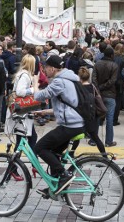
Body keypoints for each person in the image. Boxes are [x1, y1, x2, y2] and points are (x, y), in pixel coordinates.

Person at [33, 55, 85, 195]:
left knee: (39, 147)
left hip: (70, 126)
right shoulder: (70, 78)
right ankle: (56, 186)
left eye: (45, 68)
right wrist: (46, 112)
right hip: (77, 123)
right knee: (54, 153)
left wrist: (34, 84)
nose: (44, 70)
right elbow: (67, 105)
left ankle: (64, 175)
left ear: (52, 68)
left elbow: (40, 96)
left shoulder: (59, 82)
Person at [5, 54, 39, 149]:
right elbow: (20, 92)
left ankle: (21, 161)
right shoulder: (25, 76)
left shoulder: (22, 74)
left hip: (21, 111)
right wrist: (32, 90)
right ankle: (17, 162)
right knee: (24, 138)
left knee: (27, 138)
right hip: (22, 111)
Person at [92, 46, 118, 147]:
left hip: (98, 95)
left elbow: (93, 79)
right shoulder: (114, 65)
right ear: (112, 55)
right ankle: (109, 141)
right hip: (110, 94)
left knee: (97, 117)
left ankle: (94, 140)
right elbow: (113, 81)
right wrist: (103, 87)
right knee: (110, 119)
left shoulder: (97, 64)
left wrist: (98, 88)